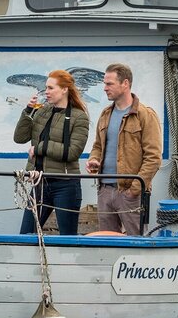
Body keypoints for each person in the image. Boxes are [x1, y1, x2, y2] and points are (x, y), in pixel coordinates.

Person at [86, 63, 162, 236]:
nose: (104, 88)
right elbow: (97, 146)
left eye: (109, 84)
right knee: (107, 244)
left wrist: (134, 189)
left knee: (137, 243)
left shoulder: (145, 115)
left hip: (131, 194)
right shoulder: (105, 114)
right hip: (105, 190)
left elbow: (154, 158)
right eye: (105, 84)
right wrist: (93, 160)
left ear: (125, 83)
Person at [14, 69, 90, 235]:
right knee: (26, 234)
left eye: (50, 88)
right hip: (39, 183)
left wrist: (39, 148)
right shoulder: (42, 111)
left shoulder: (79, 117)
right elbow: (19, 138)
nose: (45, 92)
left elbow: (72, 153)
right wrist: (27, 111)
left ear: (64, 89)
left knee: (67, 238)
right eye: (45, 88)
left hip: (65, 184)